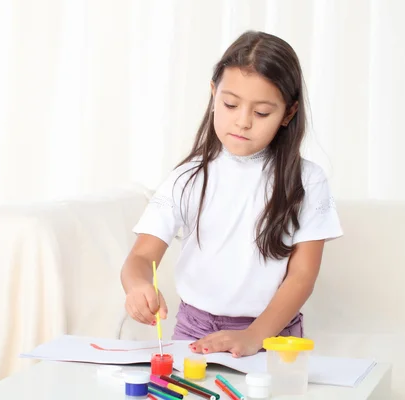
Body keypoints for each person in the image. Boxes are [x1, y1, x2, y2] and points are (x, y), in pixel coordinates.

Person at [120, 30, 342, 358]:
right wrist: (137, 286)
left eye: (262, 112)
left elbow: (302, 275)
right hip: (194, 329)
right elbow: (141, 257)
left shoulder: (307, 181)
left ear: (289, 113)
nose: (242, 122)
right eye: (230, 104)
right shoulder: (188, 176)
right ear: (213, 94)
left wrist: (254, 336)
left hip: (273, 334)